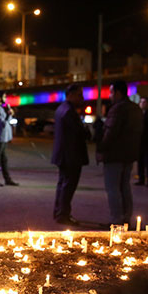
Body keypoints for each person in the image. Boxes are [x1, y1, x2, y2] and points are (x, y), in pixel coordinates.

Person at [97, 80, 143, 225]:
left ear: (117, 92)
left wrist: (101, 150)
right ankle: (126, 218)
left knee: (113, 188)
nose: (110, 96)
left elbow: (110, 133)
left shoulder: (117, 109)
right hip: (129, 155)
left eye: (111, 92)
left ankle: (116, 220)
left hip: (114, 155)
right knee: (125, 186)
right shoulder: (136, 108)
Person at [51, 84, 89, 226]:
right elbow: (79, 133)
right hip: (71, 155)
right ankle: (63, 214)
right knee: (68, 186)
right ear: (71, 94)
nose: (82, 98)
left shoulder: (61, 109)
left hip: (64, 154)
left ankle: (59, 211)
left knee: (62, 184)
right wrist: (87, 131)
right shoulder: (69, 112)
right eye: (79, 95)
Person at [0, 92, 18, 186]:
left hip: (4, 138)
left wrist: (9, 114)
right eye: (4, 96)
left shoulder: (1, 108)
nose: (6, 98)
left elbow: (9, 121)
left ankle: (7, 179)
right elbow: (3, 123)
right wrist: (9, 114)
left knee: (3, 159)